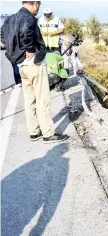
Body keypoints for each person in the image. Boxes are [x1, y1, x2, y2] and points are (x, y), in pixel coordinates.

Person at [1, 1, 68, 143]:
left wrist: (14, 53)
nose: (38, 8)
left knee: (29, 99)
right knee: (42, 99)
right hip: (34, 64)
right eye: (39, 4)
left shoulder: (10, 19)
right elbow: (26, 32)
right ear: (35, 3)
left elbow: (3, 35)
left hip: (22, 66)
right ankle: (48, 133)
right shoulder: (29, 17)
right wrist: (29, 50)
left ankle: (34, 132)